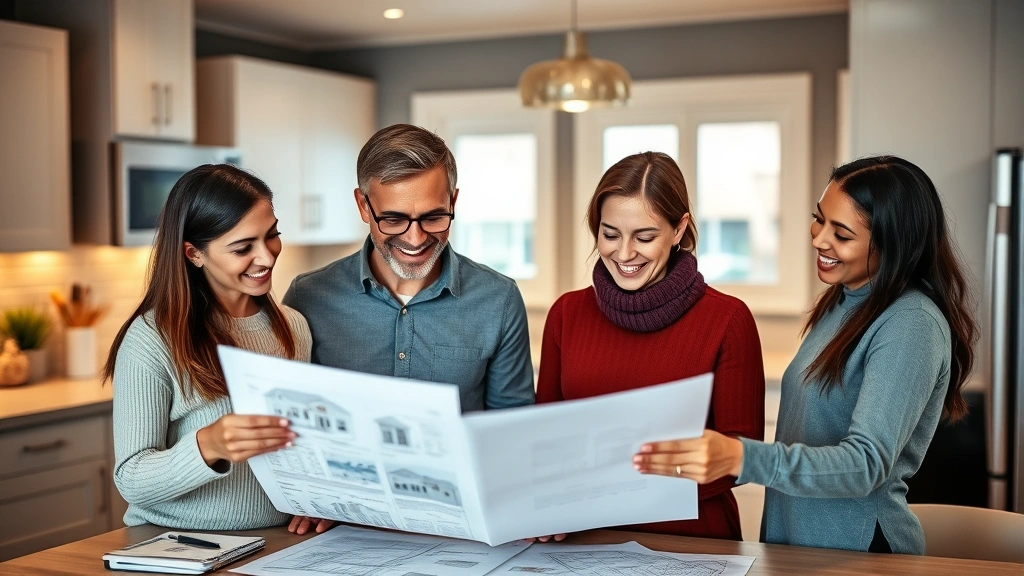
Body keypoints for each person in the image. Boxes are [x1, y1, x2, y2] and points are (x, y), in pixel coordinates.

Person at [633, 155, 978, 555]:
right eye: (820, 219)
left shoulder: (911, 323)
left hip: (859, 552)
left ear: (893, 244)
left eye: (842, 234)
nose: (818, 239)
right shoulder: (844, 301)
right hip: (801, 548)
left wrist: (742, 457)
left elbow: (866, 464)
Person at [537, 152, 765, 541]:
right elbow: (544, 443)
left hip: (692, 541)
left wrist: (623, 485)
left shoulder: (728, 320)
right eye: (610, 234)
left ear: (679, 230)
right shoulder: (566, 314)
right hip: (583, 538)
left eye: (644, 237)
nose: (624, 254)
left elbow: (741, 458)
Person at [103, 164, 331, 535]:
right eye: (243, 247)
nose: (267, 257)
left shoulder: (294, 327)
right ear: (194, 254)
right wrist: (208, 445)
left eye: (272, 235)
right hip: (176, 544)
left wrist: (319, 501)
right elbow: (131, 480)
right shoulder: (151, 340)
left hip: (275, 542)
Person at [283, 124, 535, 412]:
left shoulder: (499, 301)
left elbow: (510, 425)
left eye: (434, 217)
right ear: (363, 206)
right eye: (393, 219)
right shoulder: (307, 298)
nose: (415, 239)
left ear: (453, 201)